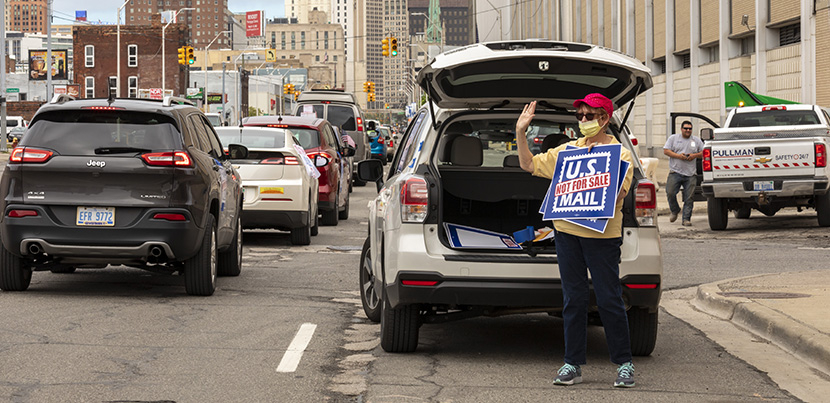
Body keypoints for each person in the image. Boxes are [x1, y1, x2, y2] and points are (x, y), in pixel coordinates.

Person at [514, 93, 636, 388]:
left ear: (605, 119)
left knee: (608, 299)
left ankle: (624, 364)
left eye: (589, 116)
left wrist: (602, 185)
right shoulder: (567, 152)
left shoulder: (620, 154)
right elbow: (528, 165)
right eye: (580, 116)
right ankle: (572, 364)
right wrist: (520, 132)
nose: (583, 121)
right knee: (573, 299)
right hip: (567, 233)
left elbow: (619, 194)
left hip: (602, 236)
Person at [663, 120, 704, 226]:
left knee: (689, 197)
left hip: (690, 174)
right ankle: (675, 210)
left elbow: (704, 152)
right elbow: (666, 151)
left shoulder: (696, 140)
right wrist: (679, 156)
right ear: (681, 129)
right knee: (670, 192)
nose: (688, 130)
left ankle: (686, 219)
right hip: (675, 171)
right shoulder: (673, 138)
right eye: (685, 128)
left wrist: (694, 156)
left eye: (690, 129)